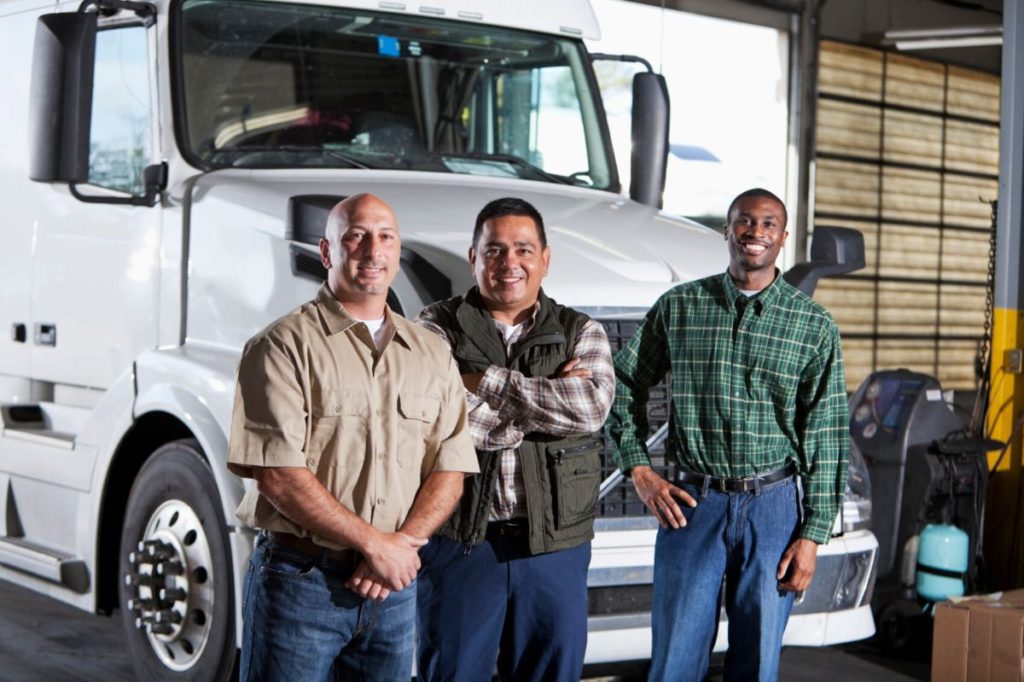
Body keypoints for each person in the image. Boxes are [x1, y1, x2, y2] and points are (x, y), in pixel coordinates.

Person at [226, 193, 479, 681]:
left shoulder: (431, 353)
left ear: (397, 251)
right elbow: (277, 474)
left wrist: (399, 548)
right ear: (327, 252)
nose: (372, 250)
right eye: (356, 236)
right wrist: (376, 546)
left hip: (394, 591)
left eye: (385, 237)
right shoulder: (281, 346)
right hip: (302, 584)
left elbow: (451, 468)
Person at [608, 188, 849, 682]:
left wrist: (813, 534)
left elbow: (826, 433)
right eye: (744, 221)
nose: (755, 232)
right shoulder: (681, 308)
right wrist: (639, 470)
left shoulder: (813, 325)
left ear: (783, 237)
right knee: (674, 660)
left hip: (775, 510)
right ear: (727, 229)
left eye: (768, 224)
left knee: (757, 663)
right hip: (692, 505)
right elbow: (622, 383)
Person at [415, 197, 616, 682]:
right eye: (495, 250)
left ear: (545, 258)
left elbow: (590, 409)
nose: (510, 263)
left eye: (524, 249)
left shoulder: (581, 331)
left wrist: (483, 382)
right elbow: (436, 419)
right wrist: (547, 402)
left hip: (553, 548)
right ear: (474, 257)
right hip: (462, 544)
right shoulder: (433, 327)